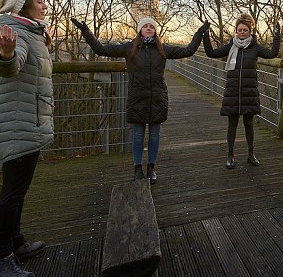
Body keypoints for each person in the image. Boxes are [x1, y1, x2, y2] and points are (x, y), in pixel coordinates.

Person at [71, 16, 209, 183]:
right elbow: (101, 50)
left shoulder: (162, 49)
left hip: (157, 97)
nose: (149, 28)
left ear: (155, 30)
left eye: (152, 26)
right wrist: (86, 31)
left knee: (154, 135)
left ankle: (151, 168)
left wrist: (199, 33)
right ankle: (137, 168)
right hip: (137, 96)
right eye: (146, 26)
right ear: (140, 29)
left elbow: (188, 51)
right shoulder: (130, 48)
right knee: (137, 135)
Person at [0, 0, 52, 277]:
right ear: (24, 6)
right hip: (17, 123)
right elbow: (9, 66)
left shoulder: (30, 31)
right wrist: (7, 54)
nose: (44, 6)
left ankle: (16, 240)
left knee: (18, 190)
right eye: (39, 1)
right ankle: (0, 261)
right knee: (11, 193)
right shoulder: (14, 33)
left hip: (27, 121)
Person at [203, 13, 280, 169]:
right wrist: (205, 34)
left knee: (249, 123)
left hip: (249, 92)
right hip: (233, 91)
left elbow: (272, 53)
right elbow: (211, 53)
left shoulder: (255, 47)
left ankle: (251, 154)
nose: (242, 32)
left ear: (250, 31)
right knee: (232, 124)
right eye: (240, 30)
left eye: (245, 30)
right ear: (236, 31)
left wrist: (277, 36)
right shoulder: (231, 46)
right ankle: (230, 155)